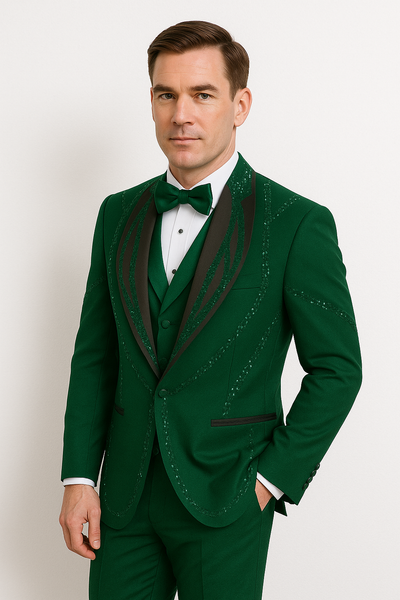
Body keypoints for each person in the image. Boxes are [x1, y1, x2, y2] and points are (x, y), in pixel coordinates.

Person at [59, 20, 362, 600]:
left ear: (240, 105)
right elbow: (95, 356)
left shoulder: (295, 223)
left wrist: (270, 481)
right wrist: (78, 476)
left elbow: (338, 368)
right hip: (123, 498)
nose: (181, 115)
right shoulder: (117, 214)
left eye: (202, 95)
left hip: (228, 497)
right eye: (165, 95)